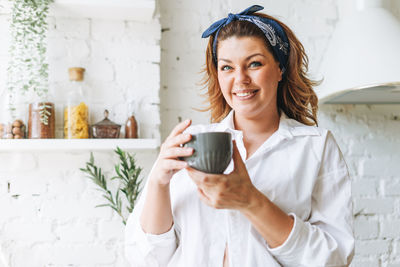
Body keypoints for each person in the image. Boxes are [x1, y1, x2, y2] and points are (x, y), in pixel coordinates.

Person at [125, 5, 354, 267]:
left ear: (279, 69)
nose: (240, 79)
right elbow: (146, 259)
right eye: (227, 67)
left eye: (254, 63)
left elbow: (333, 259)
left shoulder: (315, 147)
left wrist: (250, 200)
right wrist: (158, 182)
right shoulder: (191, 143)